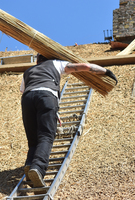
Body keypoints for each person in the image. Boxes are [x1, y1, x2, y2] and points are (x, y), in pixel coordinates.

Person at [20, 54, 117, 188]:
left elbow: (25, 91)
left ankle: (30, 164)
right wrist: (106, 71)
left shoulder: (28, 71)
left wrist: (54, 112)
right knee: (46, 136)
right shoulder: (55, 63)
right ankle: (38, 169)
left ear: (37, 60)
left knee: (33, 139)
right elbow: (86, 66)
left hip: (27, 99)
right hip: (47, 96)